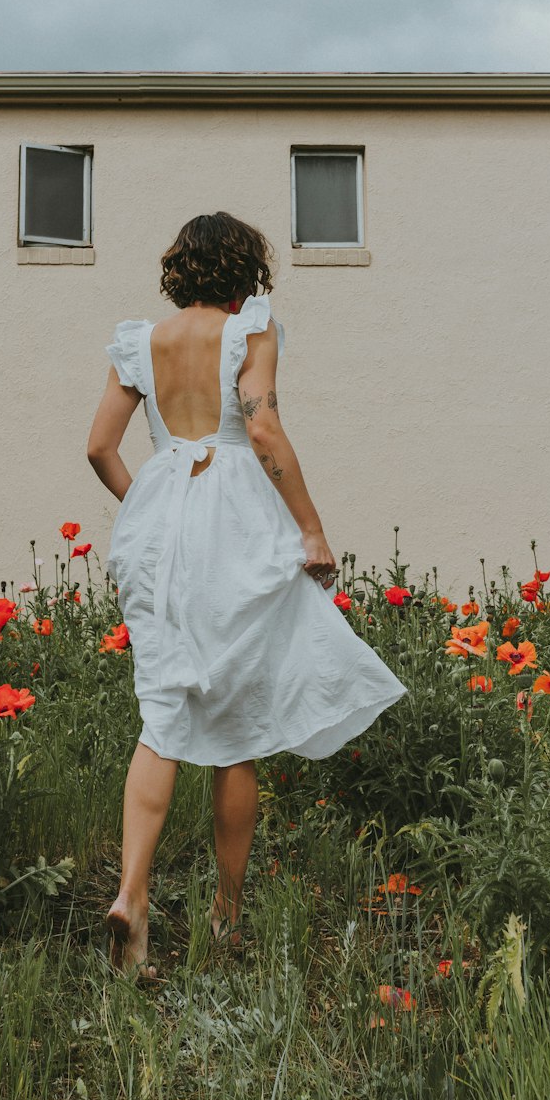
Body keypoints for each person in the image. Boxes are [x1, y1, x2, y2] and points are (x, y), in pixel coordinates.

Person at [86, 211, 409, 980]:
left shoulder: (140, 341)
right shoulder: (250, 331)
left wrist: (148, 505)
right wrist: (312, 530)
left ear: (178, 270)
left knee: (164, 710)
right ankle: (226, 914)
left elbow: (99, 447)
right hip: (234, 520)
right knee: (236, 723)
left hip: (160, 522)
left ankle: (132, 896)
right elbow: (261, 429)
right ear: (244, 271)